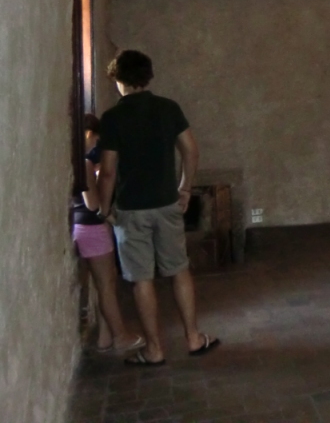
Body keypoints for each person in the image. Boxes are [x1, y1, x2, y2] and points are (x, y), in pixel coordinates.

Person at [97, 50, 220, 366]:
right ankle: (193, 338)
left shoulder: (113, 118)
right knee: (179, 270)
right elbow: (191, 151)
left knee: (141, 279)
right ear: (148, 76)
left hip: (131, 209)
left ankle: (154, 350)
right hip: (166, 203)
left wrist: (104, 207)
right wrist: (185, 188)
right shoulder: (168, 108)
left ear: (118, 79)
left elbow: (108, 171)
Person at [71, 114, 144, 354]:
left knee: (107, 283)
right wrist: (101, 178)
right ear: (90, 134)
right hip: (91, 228)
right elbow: (92, 204)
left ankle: (105, 337)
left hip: (84, 227)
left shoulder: (77, 159)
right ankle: (120, 336)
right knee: (106, 285)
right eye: (97, 138)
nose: (97, 144)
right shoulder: (84, 162)